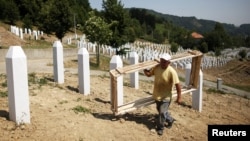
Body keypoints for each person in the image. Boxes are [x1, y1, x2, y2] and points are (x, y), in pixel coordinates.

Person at [143, 53, 182, 136]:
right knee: (162, 112)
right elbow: (149, 74)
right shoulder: (157, 67)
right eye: (161, 60)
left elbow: (178, 85)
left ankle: (160, 128)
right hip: (157, 95)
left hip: (166, 97)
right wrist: (145, 71)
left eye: (165, 61)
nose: (162, 62)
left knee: (161, 113)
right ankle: (170, 119)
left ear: (169, 62)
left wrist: (179, 97)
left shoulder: (172, 72)